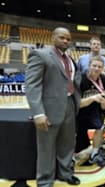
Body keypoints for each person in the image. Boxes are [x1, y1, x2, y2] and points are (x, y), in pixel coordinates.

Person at [25, 27, 81, 186]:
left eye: (68, 39)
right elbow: (32, 85)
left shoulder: (70, 59)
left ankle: (65, 174)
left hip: (69, 105)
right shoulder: (40, 55)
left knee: (67, 144)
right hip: (48, 110)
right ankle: (44, 181)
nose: (65, 41)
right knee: (46, 148)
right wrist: (38, 113)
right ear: (53, 37)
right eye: (62, 37)